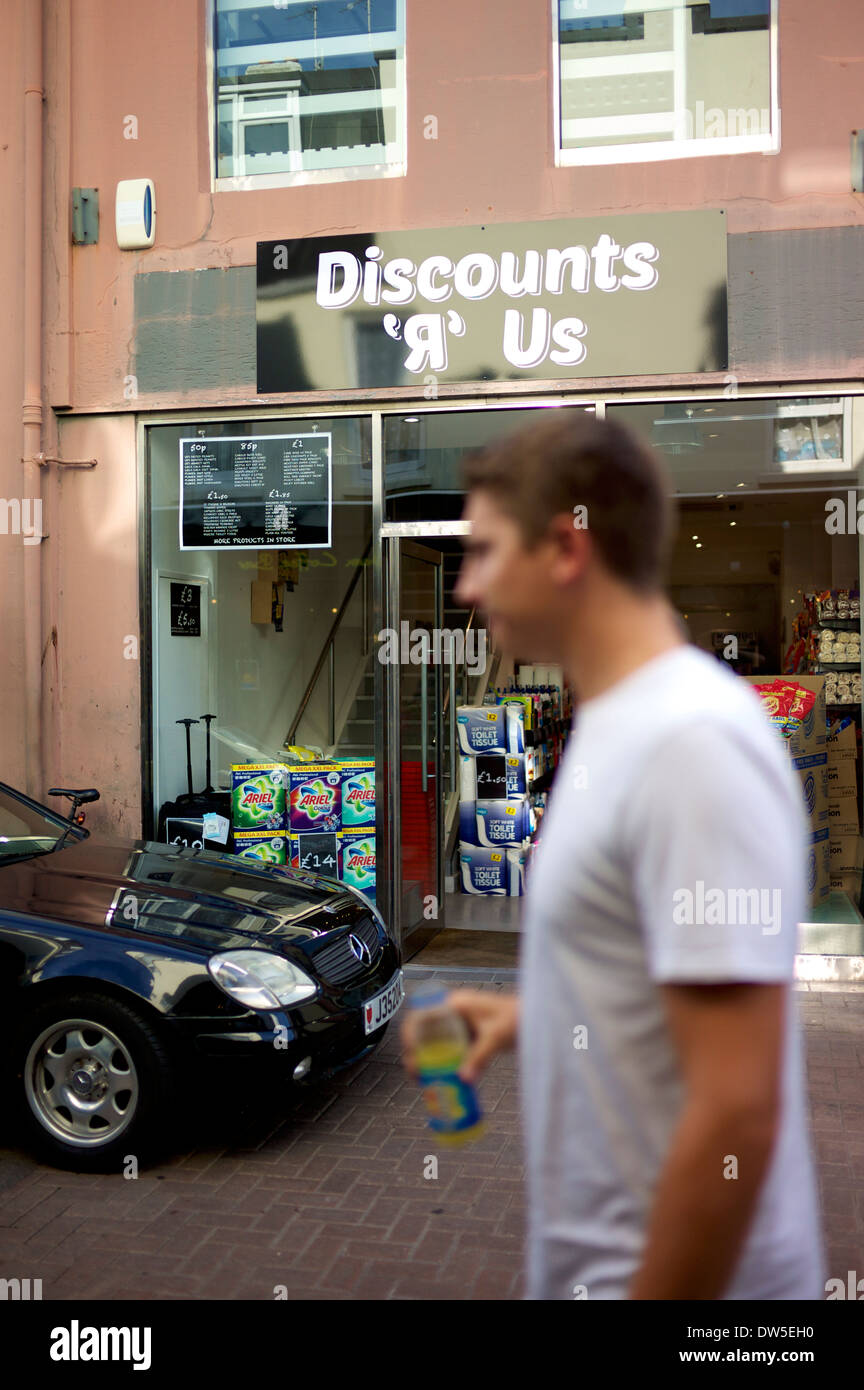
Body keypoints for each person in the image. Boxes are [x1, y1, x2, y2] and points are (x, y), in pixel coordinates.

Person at [400, 410, 825, 1300]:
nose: (467, 587)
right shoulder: (621, 722)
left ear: (564, 548)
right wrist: (536, 1016)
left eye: (482, 551)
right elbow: (654, 994)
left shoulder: (689, 741)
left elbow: (737, 1110)